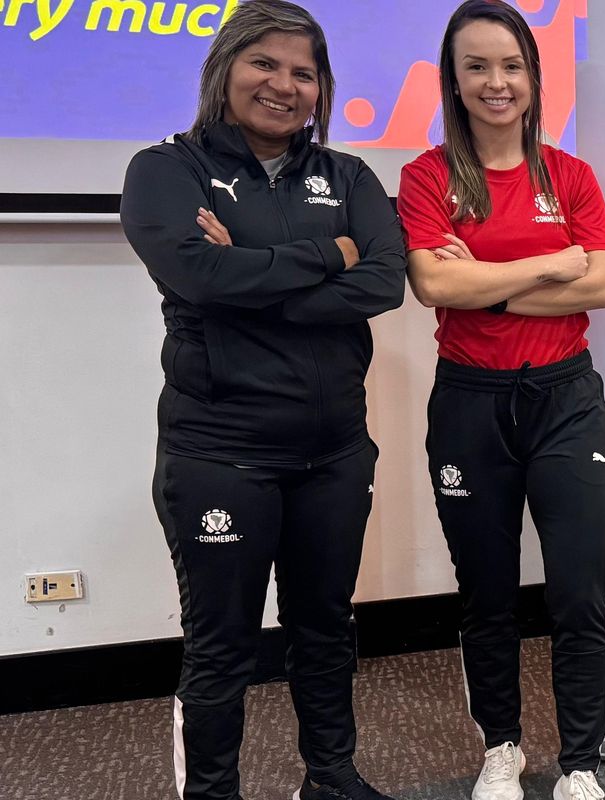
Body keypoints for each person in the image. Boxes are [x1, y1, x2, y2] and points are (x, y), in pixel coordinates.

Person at [118, 2, 407, 798]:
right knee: (223, 645)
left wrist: (249, 271)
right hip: (221, 453)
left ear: (321, 89)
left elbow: (383, 283)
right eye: (265, 63)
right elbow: (198, 275)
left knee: (326, 626)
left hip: (335, 452)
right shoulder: (166, 170)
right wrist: (330, 253)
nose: (283, 84)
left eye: (303, 72)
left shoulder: (348, 177)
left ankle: (332, 778)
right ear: (225, 69)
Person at [396, 2, 605, 799]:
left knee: (578, 590)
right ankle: (502, 747)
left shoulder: (571, 176)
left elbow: (603, 282)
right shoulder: (427, 177)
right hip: (471, 403)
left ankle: (581, 762)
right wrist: (549, 265)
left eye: (512, 65)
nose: (497, 82)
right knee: (486, 592)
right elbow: (433, 283)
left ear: (533, 77)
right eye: (478, 67)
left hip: (565, 399)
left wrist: (485, 285)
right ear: (454, 81)